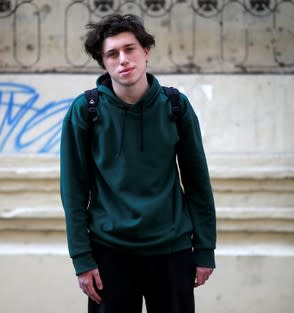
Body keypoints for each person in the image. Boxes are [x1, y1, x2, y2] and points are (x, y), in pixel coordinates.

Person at [60, 13, 216, 313]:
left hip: (172, 249)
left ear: (146, 51)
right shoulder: (86, 111)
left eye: (130, 49)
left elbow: (197, 182)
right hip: (110, 253)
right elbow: (73, 191)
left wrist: (205, 249)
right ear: (104, 63)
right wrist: (81, 258)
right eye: (112, 54)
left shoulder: (175, 106)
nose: (123, 59)